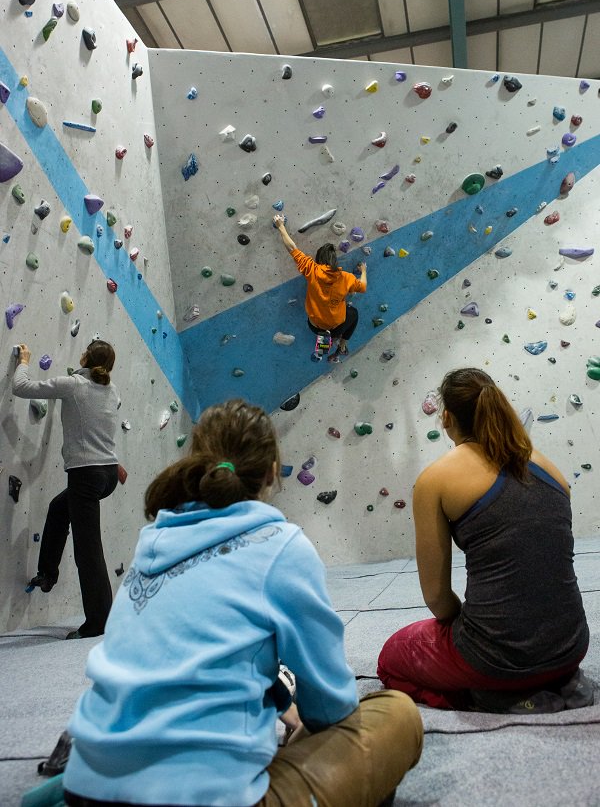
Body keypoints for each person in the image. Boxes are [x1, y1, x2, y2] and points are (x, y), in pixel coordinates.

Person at [63, 399, 423, 807]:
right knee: (397, 715)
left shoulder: (153, 541)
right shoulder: (281, 546)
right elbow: (331, 707)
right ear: (272, 472)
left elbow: (189, 652)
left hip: (85, 788)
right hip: (201, 798)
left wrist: (275, 696)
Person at [378, 367, 590, 712]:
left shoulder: (436, 479)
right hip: (571, 647)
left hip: (495, 661)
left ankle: (492, 695)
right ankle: (548, 683)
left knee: (392, 655)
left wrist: (477, 635)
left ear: (446, 418)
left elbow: (436, 598)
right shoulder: (551, 470)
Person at [12, 340, 120, 640]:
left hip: (85, 476)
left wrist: (23, 359)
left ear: (85, 357)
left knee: (88, 551)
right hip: (107, 474)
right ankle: (47, 573)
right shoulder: (113, 391)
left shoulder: (72, 385)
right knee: (59, 509)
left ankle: (97, 623)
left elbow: (21, 387)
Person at [274, 214, 366, 362]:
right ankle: (341, 344)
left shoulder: (312, 270)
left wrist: (280, 226)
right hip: (337, 326)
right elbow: (362, 287)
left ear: (318, 259)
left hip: (314, 325)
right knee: (353, 312)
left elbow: (292, 247)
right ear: (334, 261)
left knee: (329, 316)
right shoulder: (346, 277)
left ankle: (325, 341)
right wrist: (363, 271)